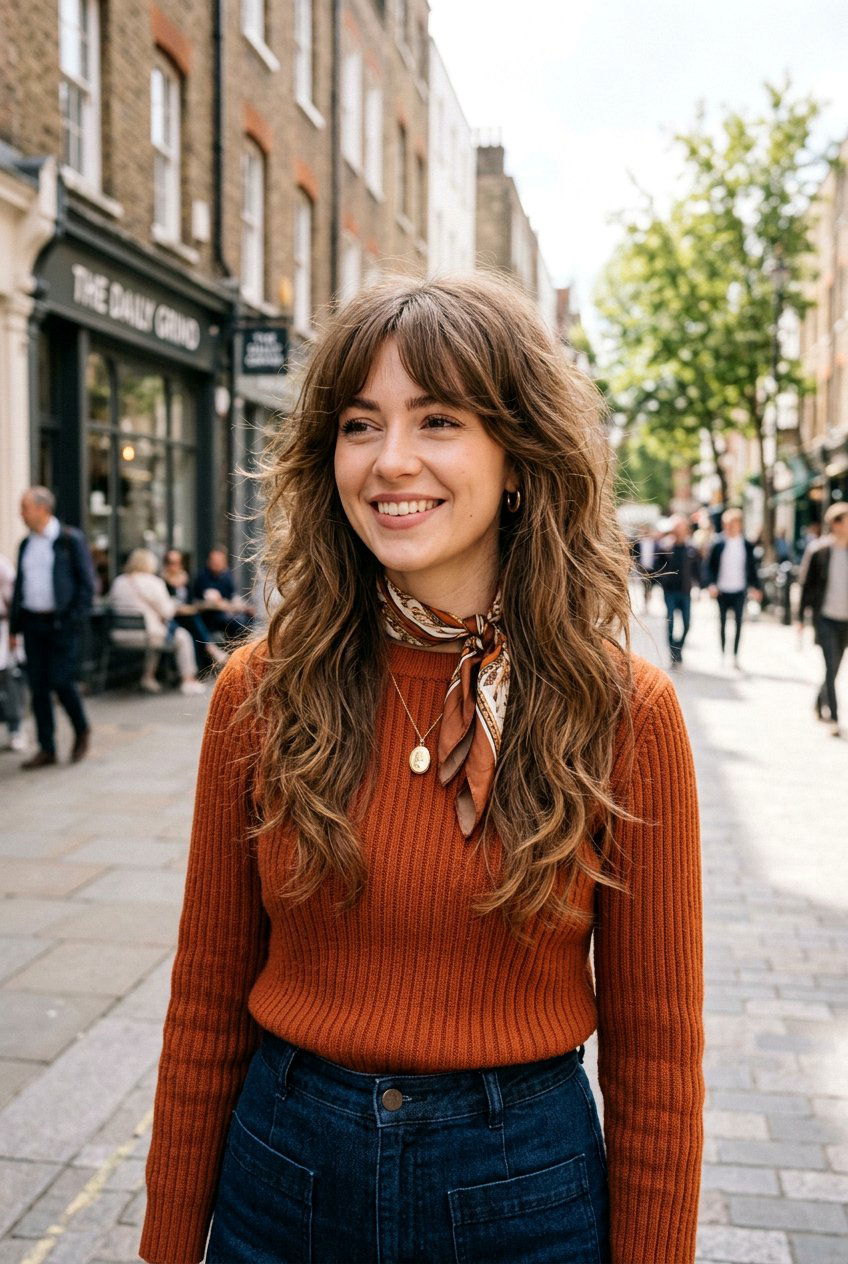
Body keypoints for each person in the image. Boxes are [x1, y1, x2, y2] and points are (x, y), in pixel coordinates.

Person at [139, 275, 704, 1264]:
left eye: (436, 419)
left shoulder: (623, 714)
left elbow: (656, 1062)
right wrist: (164, 1244)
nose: (390, 461)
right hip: (280, 1174)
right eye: (360, 424)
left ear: (517, 456)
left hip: (519, 1188)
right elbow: (203, 999)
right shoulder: (259, 690)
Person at [8, 487, 94, 769]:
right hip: (33, 624)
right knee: (38, 686)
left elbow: (87, 585)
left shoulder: (69, 540)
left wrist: (75, 617)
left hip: (62, 624)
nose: (21, 513)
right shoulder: (26, 544)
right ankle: (47, 748)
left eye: (25, 507)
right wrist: (14, 628)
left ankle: (81, 729)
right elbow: (21, 586)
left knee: (62, 681)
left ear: (42, 509)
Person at [108, 549, 205, 696]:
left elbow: (111, 603)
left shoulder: (119, 581)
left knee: (158, 635)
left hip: (118, 635)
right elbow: (168, 612)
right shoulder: (154, 582)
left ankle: (148, 677)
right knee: (182, 637)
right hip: (147, 635)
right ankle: (188, 680)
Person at [797, 501, 848, 737]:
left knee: (835, 668)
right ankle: (834, 718)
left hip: (845, 620)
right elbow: (806, 586)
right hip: (825, 618)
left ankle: (819, 702)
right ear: (836, 524)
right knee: (830, 666)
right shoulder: (819, 550)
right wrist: (799, 618)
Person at [706, 509, 762, 670]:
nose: (730, 527)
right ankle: (723, 654)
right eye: (728, 524)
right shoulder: (718, 543)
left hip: (739, 590)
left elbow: (752, 568)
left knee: (738, 624)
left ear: (739, 525)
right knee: (722, 622)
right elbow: (709, 567)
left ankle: (735, 656)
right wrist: (711, 584)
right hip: (722, 590)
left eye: (734, 524)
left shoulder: (745, 544)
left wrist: (756, 587)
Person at [161, 548, 228, 670]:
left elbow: (190, 600)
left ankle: (203, 663)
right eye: (171, 562)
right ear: (166, 564)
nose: (175, 566)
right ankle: (211, 649)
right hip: (171, 618)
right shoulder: (162, 581)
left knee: (195, 619)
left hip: (186, 617)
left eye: (178, 562)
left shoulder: (184, 578)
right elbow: (165, 605)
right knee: (194, 619)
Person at [654, 514, 701, 669]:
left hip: (685, 592)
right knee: (671, 623)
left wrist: (700, 586)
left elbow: (697, 570)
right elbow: (657, 568)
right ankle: (673, 655)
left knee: (687, 624)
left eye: (682, 528)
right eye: (677, 528)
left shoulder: (692, 549)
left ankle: (678, 649)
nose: (679, 531)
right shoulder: (664, 546)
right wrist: (662, 582)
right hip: (670, 592)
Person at [191, 547, 255, 644]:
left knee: (249, 619)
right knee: (237, 623)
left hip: (228, 612)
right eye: (214, 561)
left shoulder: (227, 577)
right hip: (211, 617)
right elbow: (204, 602)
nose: (216, 564)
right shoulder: (203, 578)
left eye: (219, 561)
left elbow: (233, 597)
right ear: (209, 561)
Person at [0, 552, 26, 752]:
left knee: (9, 680)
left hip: (3, 630)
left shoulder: (2, 564)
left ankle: (15, 729)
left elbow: (14, 599)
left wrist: (13, 633)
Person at [631, 525, 660, 612]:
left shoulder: (655, 543)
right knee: (645, 586)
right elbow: (634, 554)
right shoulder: (638, 543)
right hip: (642, 568)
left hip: (653, 568)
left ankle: (648, 601)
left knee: (650, 586)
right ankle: (646, 603)